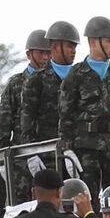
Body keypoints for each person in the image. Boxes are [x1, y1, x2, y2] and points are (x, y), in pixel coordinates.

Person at [58, 16, 110, 210]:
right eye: (109, 41)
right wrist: (67, 149)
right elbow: (66, 115)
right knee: (87, 195)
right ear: (93, 41)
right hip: (86, 146)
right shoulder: (75, 75)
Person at [21, 21, 80, 151]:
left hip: (79, 151)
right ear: (55, 47)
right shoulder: (36, 80)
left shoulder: (82, 77)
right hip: (47, 153)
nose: (74, 51)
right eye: (70, 46)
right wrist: (32, 155)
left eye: (75, 47)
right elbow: (27, 124)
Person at [0, 29, 50, 149]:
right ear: (29, 55)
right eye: (40, 53)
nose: (45, 57)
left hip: (53, 149)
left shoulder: (59, 82)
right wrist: (3, 155)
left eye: (49, 53)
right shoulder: (16, 84)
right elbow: (2, 127)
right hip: (23, 152)